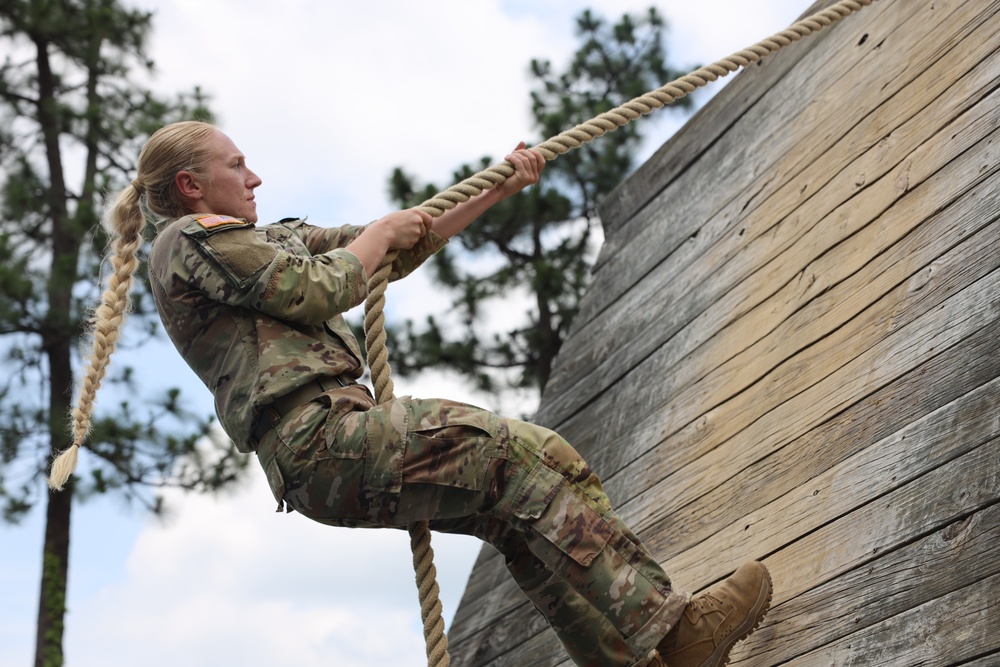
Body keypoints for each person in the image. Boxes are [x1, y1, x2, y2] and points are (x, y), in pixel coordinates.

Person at [57, 120, 772, 667]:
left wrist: (497, 187)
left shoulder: (262, 235)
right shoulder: (188, 241)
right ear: (190, 184)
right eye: (236, 164)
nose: (255, 176)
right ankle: (677, 630)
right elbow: (321, 286)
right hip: (317, 439)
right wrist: (374, 239)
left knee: (530, 491)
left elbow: (387, 248)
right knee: (504, 454)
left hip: (341, 436)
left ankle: (631, 653)